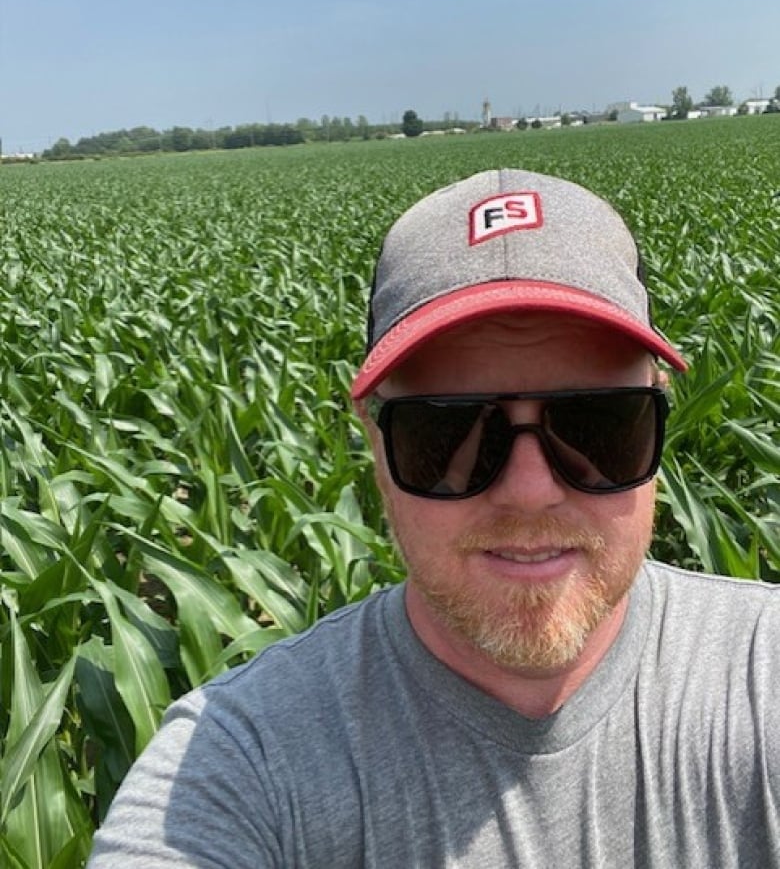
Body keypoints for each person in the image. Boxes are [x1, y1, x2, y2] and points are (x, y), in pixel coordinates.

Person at [87, 169, 780, 867]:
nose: (530, 489)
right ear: (375, 443)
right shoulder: (244, 761)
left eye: (599, 424)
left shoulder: (764, 675)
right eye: (447, 434)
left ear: (659, 414)